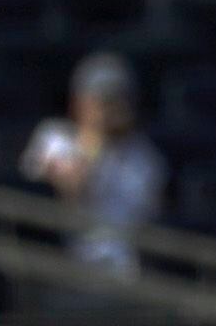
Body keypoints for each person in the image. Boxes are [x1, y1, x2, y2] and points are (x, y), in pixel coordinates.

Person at [21, 53, 166, 269]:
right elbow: (74, 187)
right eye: (104, 100)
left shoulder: (143, 156)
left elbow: (153, 218)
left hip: (128, 273)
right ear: (78, 101)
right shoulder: (54, 137)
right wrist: (96, 137)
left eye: (120, 99)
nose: (113, 108)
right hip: (66, 267)